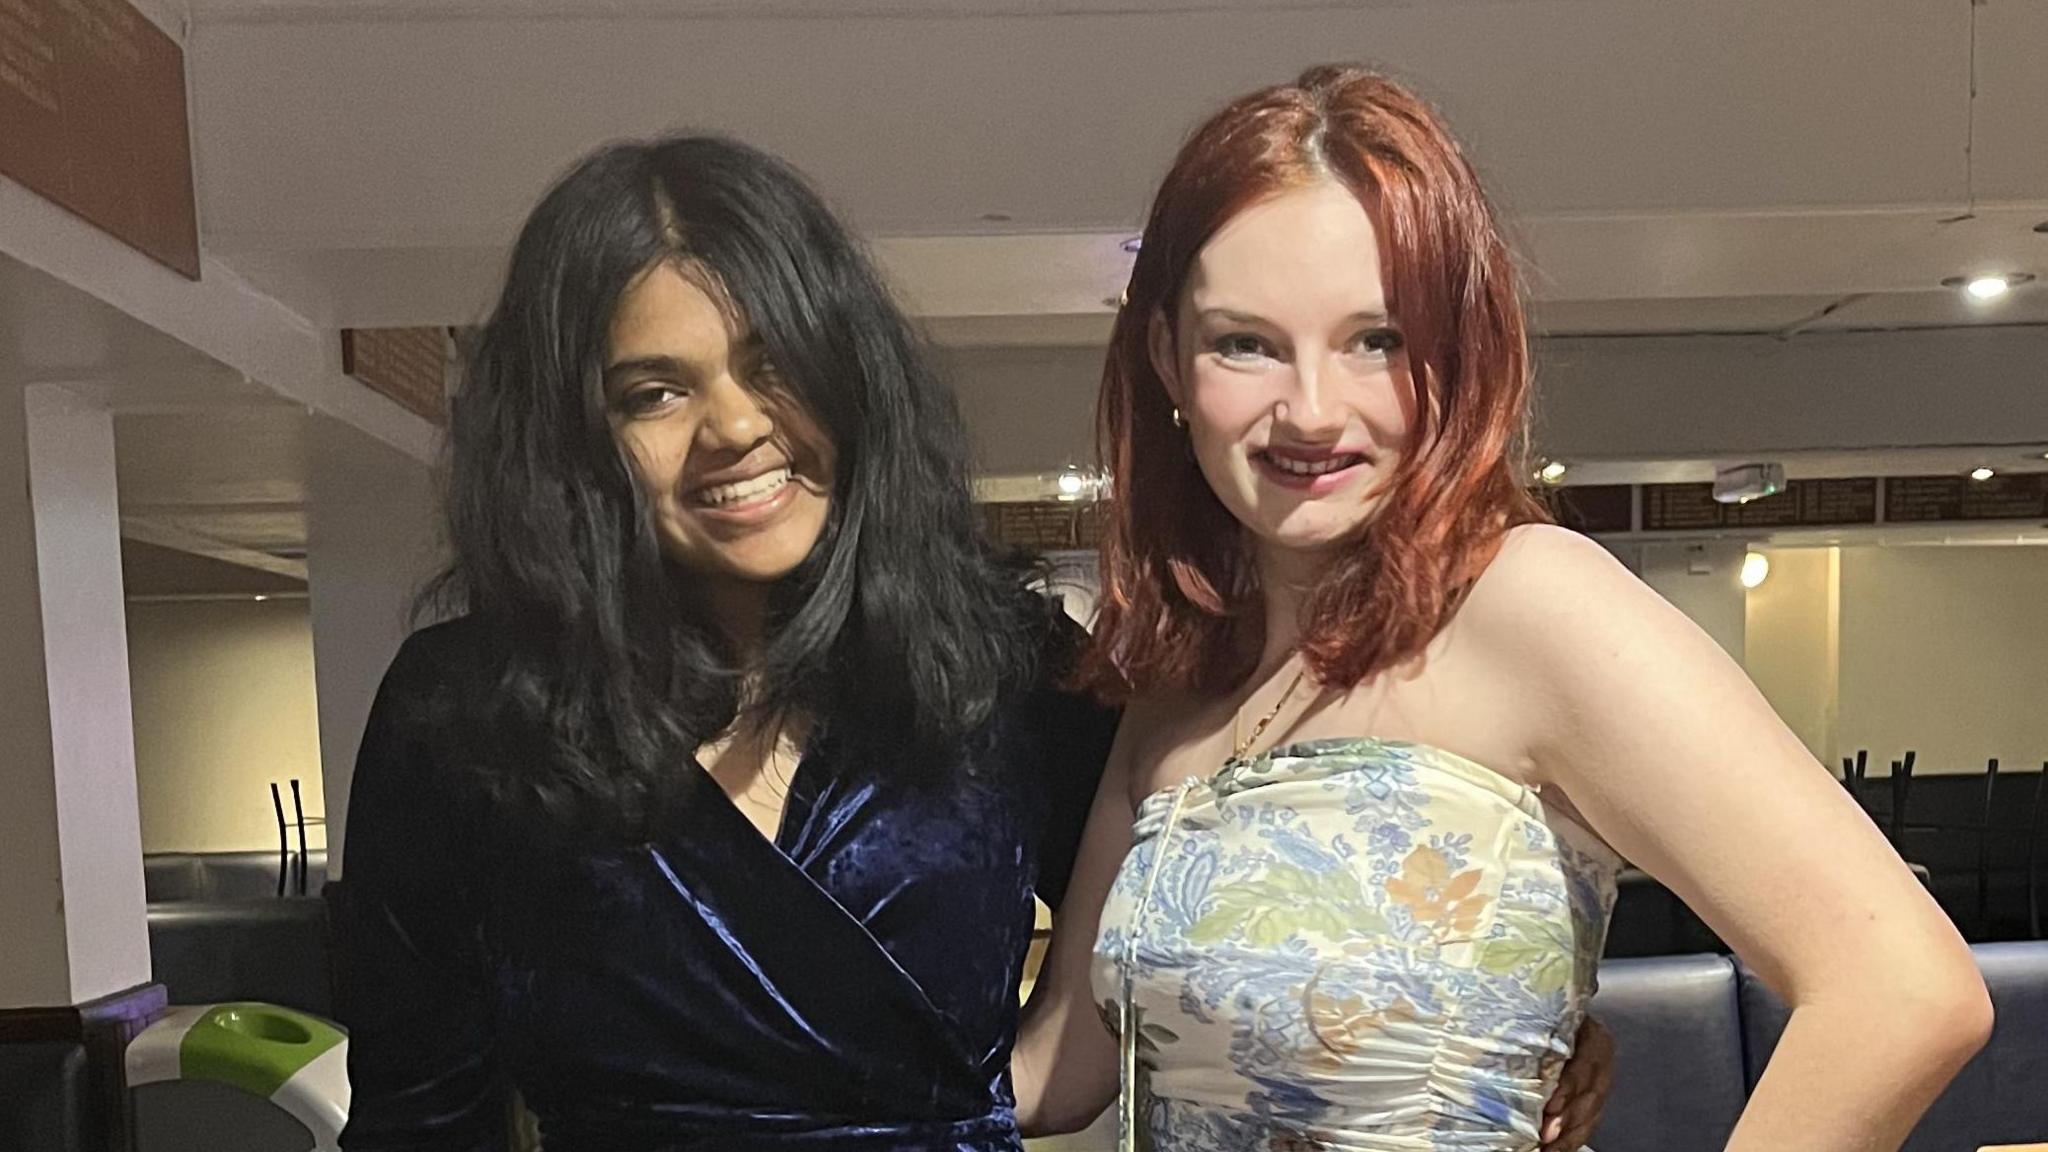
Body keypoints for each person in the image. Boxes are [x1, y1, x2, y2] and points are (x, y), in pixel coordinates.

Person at [335, 132, 1614, 1151]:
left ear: (849, 375)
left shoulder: (1001, 663)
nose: (731, 427)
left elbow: (1203, 935)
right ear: (574, 437)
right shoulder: (464, 717)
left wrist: (1501, 1014)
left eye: (772, 364)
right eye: (654, 391)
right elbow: (415, 1123)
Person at [1013, 66, 1990, 1152]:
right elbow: (1058, 1068)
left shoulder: (1528, 600)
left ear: (1453, 351)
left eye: (1375, 339)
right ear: (1166, 360)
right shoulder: (1179, 688)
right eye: (1243, 342)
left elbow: (1901, 990)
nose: (1310, 408)